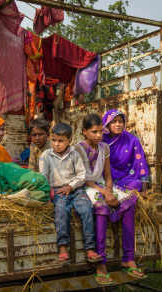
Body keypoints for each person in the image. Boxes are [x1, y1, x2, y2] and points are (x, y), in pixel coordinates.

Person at [75, 113, 146, 283]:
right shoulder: (79, 149)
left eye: (100, 131)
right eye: (94, 132)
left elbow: (108, 175)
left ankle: (128, 258)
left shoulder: (104, 148)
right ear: (84, 132)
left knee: (128, 203)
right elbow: (85, 178)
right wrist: (105, 194)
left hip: (101, 184)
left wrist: (109, 190)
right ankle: (101, 263)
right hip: (86, 186)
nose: (99, 135)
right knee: (102, 207)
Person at [39, 123, 102, 264]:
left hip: (75, 189)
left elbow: (82, 175)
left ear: (69, 140)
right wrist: (48, 193)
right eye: (54, 140)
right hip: (57, 191)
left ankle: (90, 248)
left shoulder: (75, 154)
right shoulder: (46, 155)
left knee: (86, 209)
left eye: (61, 141)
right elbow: (43, 176)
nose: (57, 144)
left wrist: (70, 186)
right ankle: (62, 247)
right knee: (61, 211)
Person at [102, 109, 150, 193]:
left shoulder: (132, 140)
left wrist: (144, 184)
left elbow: (140, 162)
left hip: (127, 178)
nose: (118, 124)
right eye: (114, 122)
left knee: (136, 184)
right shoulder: (101, 140)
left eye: (120, 121)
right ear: (107, 124)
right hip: (106, 178)